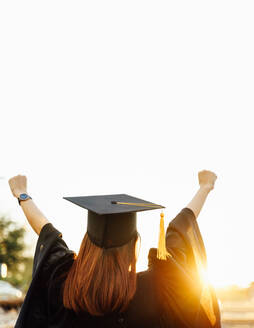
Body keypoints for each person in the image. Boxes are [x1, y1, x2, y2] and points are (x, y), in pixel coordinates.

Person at [8, 170, 221, 328]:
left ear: (87, 242)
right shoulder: (158, 286)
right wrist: (204, 188)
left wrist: (22, 194)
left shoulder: (66, 285)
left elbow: (47, 231)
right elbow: (179, 230)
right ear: (134, 243)